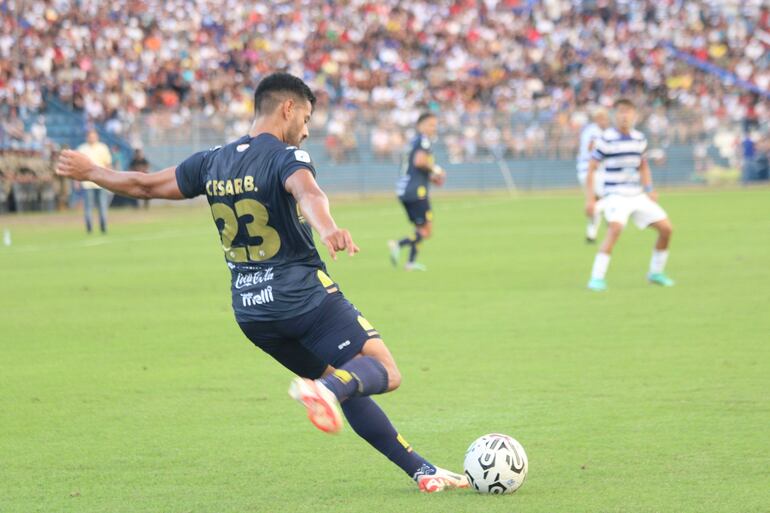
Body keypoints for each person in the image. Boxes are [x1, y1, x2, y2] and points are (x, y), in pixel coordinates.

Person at [56, 72, 467, 493]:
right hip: (301, 297)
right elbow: (309, 193)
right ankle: (323, 389)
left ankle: (421, 470)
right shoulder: (285, 157)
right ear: (287, 108)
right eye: (305, 118)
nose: (306, 131)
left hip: (252, 311)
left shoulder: (211, 161)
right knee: (383, 370)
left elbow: (144, 185)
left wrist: (93, 171)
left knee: (350, 384)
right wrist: (326, 227)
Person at [585, 99, 675, 292]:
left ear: (635, 115)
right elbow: (591, 168)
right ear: (615, 116)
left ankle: (655, 273)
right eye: (620, 112)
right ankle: (596, 278)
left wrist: (649, 188)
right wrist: (590, 199)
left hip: (637, 195)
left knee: (666, 229)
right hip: (616, 195)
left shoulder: (639, 138)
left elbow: (643, 165)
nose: (624, 115)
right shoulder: (606, 139)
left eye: (628, 111)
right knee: (615, 229)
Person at [388, 113, 446, 271]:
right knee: (427, 231)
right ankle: (398, 244)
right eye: (430, 125)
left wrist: (432, 178)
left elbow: (414, 168)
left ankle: (410, 263)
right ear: (420, 126)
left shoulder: (413, 142)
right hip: (416, 192)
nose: (433, 128)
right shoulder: (423, 141)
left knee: (419, 229)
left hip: (405, 190)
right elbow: (420, 162)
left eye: (435, 125)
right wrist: (437, 170)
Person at [577, 107, 610, 242]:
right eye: (603, 119)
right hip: (593, 171)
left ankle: (592, 233)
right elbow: (592, 147)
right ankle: (612, 220)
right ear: (597, 119)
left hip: (584, 170)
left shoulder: (588, 130)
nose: (606, 122)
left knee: (596, 200)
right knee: (608, 197)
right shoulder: (595, 131)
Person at [76, 130, 112, 233]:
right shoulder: (82, 149)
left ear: (97, 137)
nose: (92, 138)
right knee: (88, 206)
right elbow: (78, 167)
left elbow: (107, 164)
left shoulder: (103, 147)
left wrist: (109, 178)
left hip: (101, 182)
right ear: (87, 137)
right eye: (90, 136)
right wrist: (77, 181)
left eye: (94, 136)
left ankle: (103, 226)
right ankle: (89, 227)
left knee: (102, 205)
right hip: (87, 183)